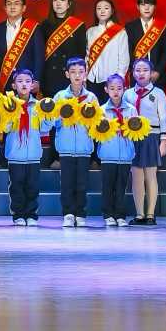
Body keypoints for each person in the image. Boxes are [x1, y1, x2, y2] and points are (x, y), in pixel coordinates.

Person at [52, 57, 98, 227]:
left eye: (80, 72)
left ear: (85, 74)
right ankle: (68, 214)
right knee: (67, 184)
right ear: (67, 74)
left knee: (82, 184)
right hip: (66, 148)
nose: (77, 75)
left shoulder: (91, 97)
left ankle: (80, 214)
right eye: (73, 72)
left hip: (84, 148)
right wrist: (61, 116)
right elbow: (53, 122)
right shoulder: (60, 96)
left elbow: (96, 123)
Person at [3, 69, 53, 226]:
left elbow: (45, 128)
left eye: (27, 81)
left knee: (32, 186)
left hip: (33, 154)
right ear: (14, 85)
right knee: (16, 186)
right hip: (15, 154)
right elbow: (5, 128)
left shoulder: (38, 106)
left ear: (33, 85)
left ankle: (31, 215)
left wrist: (48, 114)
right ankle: (18, 215)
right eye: (20, 81)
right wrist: (10, 112)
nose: (24, 84)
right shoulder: (8, 105)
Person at [128, 58, 166, 225]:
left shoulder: (158, 93)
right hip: (133, 138)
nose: (141, 73)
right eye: (138, 70)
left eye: (145, 70)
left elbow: (164, 117)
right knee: (136, 177)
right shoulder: (128, 94)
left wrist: (164, 141)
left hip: (152, 136)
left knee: (150, 176)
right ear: (133, 73)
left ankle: (150, 214)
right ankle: (139, 214)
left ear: (151, 73)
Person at [99, 74, 136, 227]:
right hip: (108, 154)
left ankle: (120, 215)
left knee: (121, 187)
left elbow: (136, 131)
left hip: (125, 155)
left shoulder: (131, 109)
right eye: (112, 88)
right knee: (108, 187)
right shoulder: (101, 110)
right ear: (106, 89)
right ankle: (108, 215)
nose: (116, 91)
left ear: (124, 89)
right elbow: (97, 132)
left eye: (119, 88)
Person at [0, 0, 42, 97]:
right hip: (4, 80)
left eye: (16, 3)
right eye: (9, 4)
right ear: (5, 8)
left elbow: (39, 56)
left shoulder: (33, 28)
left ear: (24, 8)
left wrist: (36, 80)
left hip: (26, 82)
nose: (12, 7)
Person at [38, 0, 86, 97]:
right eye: (55, 0)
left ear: (69, 4)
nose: (58, 3)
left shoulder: (78, 26)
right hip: (50, 76)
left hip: (69, 76)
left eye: (62, 0)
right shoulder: (45, 25)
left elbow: (81, 54)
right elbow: (40, 53)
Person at [123, 0, 166, 89]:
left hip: (158, 78)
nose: (146, 8)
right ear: (138, 7)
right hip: (137, 77)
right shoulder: (130, 27)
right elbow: (127, 51)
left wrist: (157, 72)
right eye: (143, 4)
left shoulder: (163, 27)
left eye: (150, 4)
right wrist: (136, 71)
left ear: (155, 7)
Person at [85, 0, 128, 102]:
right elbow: (87, 56)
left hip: (111, 81)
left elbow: (124, 58)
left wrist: (119, 79)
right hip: (91, 79)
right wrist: (85, 76)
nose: (102, 11)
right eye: (99, 8)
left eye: (106, 8)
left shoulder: (120, 32)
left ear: (112, 11)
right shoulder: (90, 31)